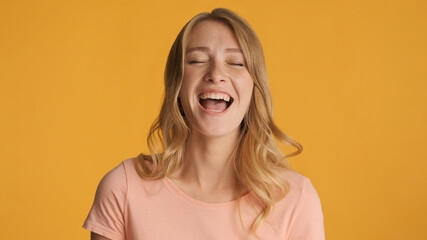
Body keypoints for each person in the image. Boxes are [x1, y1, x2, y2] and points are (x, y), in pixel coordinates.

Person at [83, 8, 324, 240]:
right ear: (176, 83)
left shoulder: (296, 198)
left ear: (254, 86)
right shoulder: (124, 188)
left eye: (236, 63)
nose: (216, 73)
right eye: (197, 60)